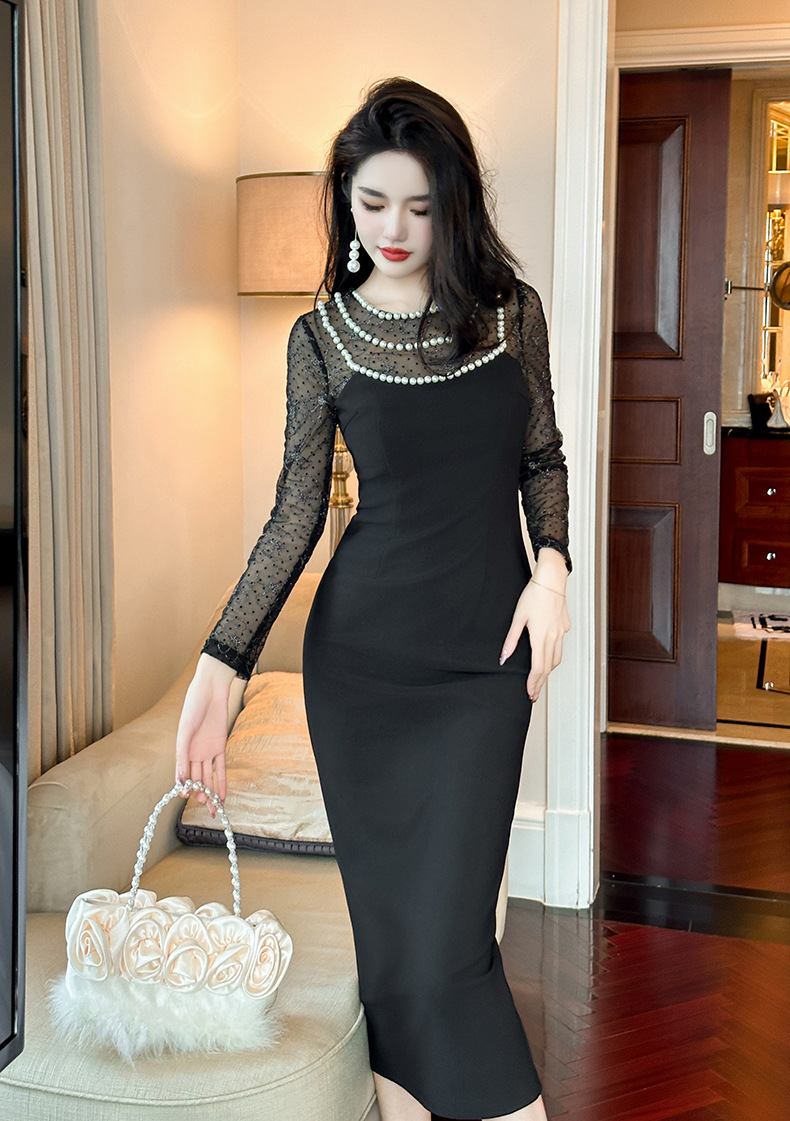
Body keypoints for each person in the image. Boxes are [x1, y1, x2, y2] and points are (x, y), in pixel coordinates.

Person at [175, 77, 571, 1121]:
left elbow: (540, 457)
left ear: (454, 205)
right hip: (362, 671)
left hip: (485, 666)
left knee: (452, 948)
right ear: (345, 200)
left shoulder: (509, 315)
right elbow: (293, 514)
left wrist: (554, 572)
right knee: (397, 949)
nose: (392, 229)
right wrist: (222, 661)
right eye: (371, 202)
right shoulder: (322, 339)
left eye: (419, 206)